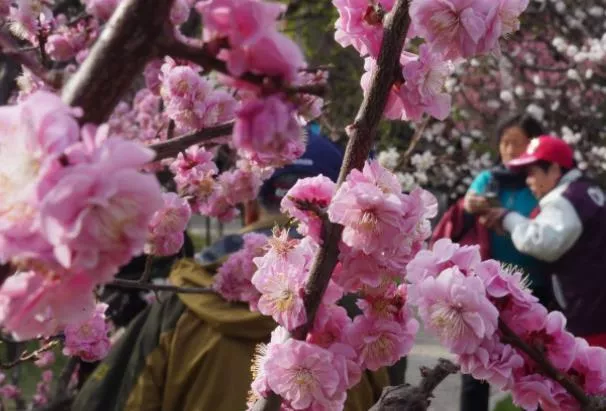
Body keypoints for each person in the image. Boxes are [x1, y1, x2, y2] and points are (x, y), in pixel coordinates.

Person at [72, 127, 392, 411]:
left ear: (248, 204)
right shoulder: (364, 321)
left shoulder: (183, 300)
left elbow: (119, 399)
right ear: (346, 213)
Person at [459, 113, 549, 411]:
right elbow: (470, 200)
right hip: (491, 291)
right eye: (505, 143)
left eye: (518, 144)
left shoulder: (539, 181)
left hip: (537, 288)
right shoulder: (490, 179)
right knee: (478, 368)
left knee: (536, 368)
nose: (510, 150)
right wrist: (475, 203)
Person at [482, 135, 606, 348]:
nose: (528, 181)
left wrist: (508, 218)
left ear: (555, 170)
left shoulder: (564, 200)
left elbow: (542, 242)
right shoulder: (588, 189)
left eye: (532, 173)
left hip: (587, 312)